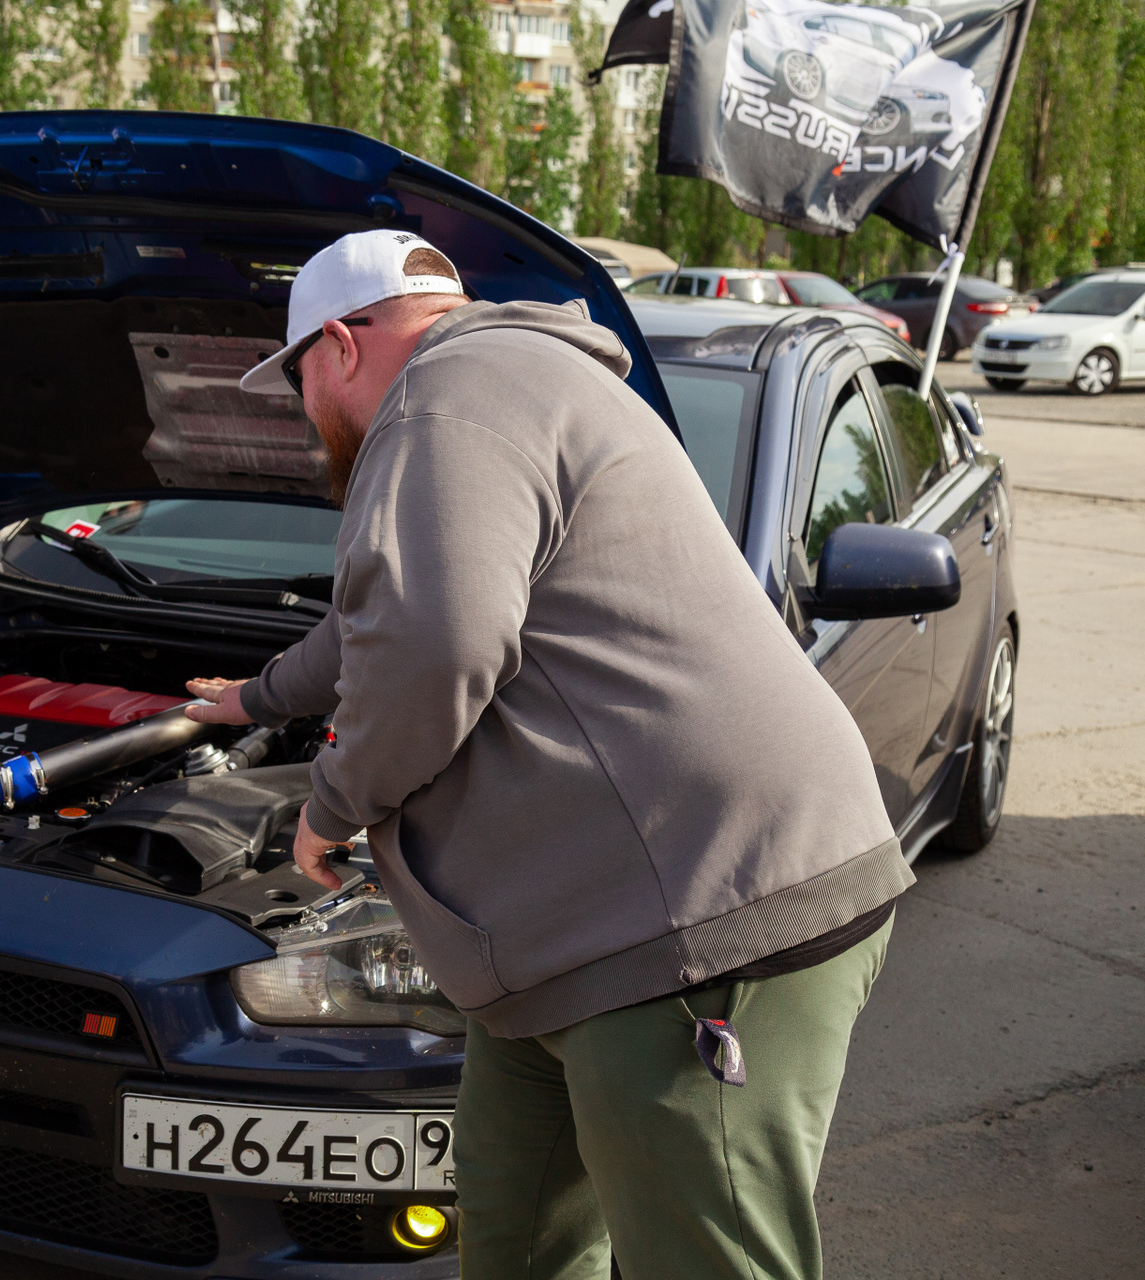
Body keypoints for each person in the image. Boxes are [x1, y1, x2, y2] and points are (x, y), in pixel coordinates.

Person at [184, 229, 912, 1280]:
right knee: (519, 1237)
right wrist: (251, 698)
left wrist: (332, 803)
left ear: (339, 344)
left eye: (298, 383)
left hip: (701, 919)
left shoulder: (446, 397)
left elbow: (438, 645)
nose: (306, 417)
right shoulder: (501, 384)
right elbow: (378, 615)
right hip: (561, 944)